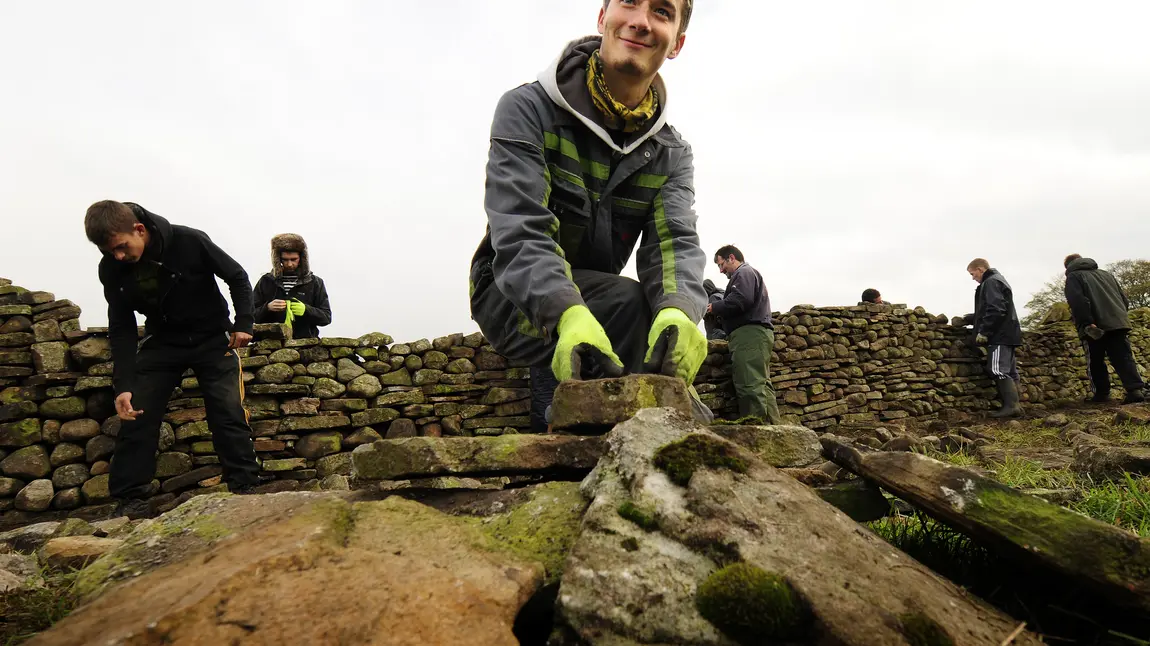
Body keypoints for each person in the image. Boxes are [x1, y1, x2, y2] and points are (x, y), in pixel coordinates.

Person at [468, 0, 708, 430]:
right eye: (629, 3)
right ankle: (685, 443)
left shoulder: (672, 154)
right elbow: (521, 229)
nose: (640, 21)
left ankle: (600, 440)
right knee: (629, 306)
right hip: (508, 293)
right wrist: (566, 312)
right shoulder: (527, 110)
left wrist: (679, 309)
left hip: (598, 299)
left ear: (677, 44)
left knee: (654, 320)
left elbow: (674, 241)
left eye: (661, 12)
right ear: (602, 18)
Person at [84, 200, 261, 517]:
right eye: (110, 252)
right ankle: (129, 501)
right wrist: (123, 385)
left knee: (227, 410)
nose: (119, 256)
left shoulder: (188, 241)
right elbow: (122, 327)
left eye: (122, 247)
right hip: (162, 341)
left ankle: (245, 487)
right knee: (136, 410)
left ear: (139, 230)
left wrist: (244, 323)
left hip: (212, 338)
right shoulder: (111, 268)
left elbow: (236, 275)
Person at [708, 245, 781, 424]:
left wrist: (714, 307)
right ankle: (776, 430)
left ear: (731, 258)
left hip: (749, 334)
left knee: (749, 384)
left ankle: (756, 433)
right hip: (755, 334)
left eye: (721, 264)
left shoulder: (744, 273)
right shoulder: (746, 274)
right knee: (761, 384)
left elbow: (741, 300)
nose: (720, 270)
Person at [1063, 254, 1146, 404]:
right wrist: (1119, 316)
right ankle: (1135, 390)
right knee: (1123, 357)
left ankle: (1101, 394)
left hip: (1095, 326)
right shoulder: (1106, 274)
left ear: (1067, 266)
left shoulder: (1074, 277)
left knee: (1095, 360)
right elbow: (1123, 299)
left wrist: (1086, 322)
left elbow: (1078, 302)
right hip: (1118, 322)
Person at [961, 258, 1023, 417]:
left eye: (972, 273)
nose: (972, 278)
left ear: (980, 269)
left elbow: (996, 309)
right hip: (1009, 333)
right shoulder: (999, 280)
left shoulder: (991, 282)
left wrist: (984, 332)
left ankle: (1011, 407)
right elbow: (994, 307)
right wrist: (971, 318)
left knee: (998, 370)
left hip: (1000, 335)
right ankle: (1016, 406)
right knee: (1010, 371)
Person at [252, 234, 333, 339]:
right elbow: (250, 315)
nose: (289, 264)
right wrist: (267, 308)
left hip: (306, 345)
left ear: (301, 258)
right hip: (270, 346)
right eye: (285, 259)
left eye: (293, 259)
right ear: (278, 259)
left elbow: (326, 317)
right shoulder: (266, 281)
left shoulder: (315, 282)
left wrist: (306, 310)